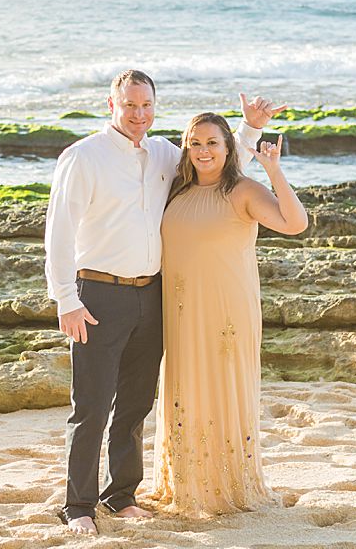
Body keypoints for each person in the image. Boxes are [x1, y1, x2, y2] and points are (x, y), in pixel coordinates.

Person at [44, 69, 284, 535]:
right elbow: (59, 232)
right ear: (109, 105)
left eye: (146, 105)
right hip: (97, 294)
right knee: (92, 404)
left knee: (135, 403)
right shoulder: (83, 157)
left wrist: (249, 129)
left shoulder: (163, 154)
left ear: (155, 107)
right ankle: (78, 506)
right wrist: (66, 299)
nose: (138, 114)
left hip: (152, 295)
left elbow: (215, 165)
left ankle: (121, 495)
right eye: (129, 105)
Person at [150, 112, 307, 517]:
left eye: (212, 143)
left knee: (223, 388)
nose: (203, 151)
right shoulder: (176, 191)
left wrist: (274, 170)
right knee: (185, 387)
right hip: (181, 311)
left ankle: (227, 485)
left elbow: (295, 223)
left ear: (228, 148)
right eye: (195, 143)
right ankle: (185, 484)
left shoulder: (243, 190)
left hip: (226, 311)